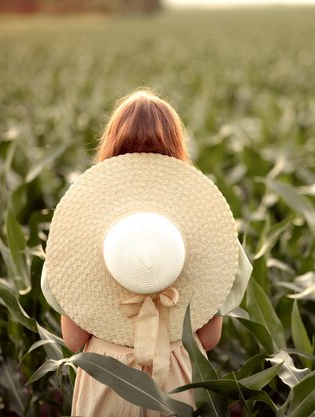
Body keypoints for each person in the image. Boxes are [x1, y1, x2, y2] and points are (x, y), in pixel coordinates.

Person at [41, 89, 252, 416]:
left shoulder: (76, 230)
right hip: (179, 380)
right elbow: (209, 339)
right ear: (176, 144)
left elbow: (72, 338)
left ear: (111, 144)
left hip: (107, 378)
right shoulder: (210, 228)